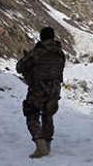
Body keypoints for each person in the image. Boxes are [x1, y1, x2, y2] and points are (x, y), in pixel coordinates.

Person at [16, 27, 66, 159]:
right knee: (48, 116)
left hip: (38, 89)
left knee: (32, 116)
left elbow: (20, 68)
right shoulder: (60, 53)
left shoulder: (36, 53)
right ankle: (47, 146)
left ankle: (41, 146)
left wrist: (28, 57)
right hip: (54, 90)